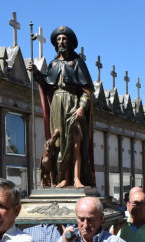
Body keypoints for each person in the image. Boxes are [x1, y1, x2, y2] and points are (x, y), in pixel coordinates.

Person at [28, 26, 95, 188]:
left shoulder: (78, 63)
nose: (61, 42)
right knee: (58, 144)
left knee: (76, 144)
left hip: (72, 104)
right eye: (58, 39)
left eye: (64, 39)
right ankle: (63, 178)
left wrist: (81, 107)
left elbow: (87, 90)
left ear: (70, 42)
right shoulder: (53, 64)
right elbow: (47, 83)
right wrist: (37, 73)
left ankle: (77, 179)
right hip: (57, 105)